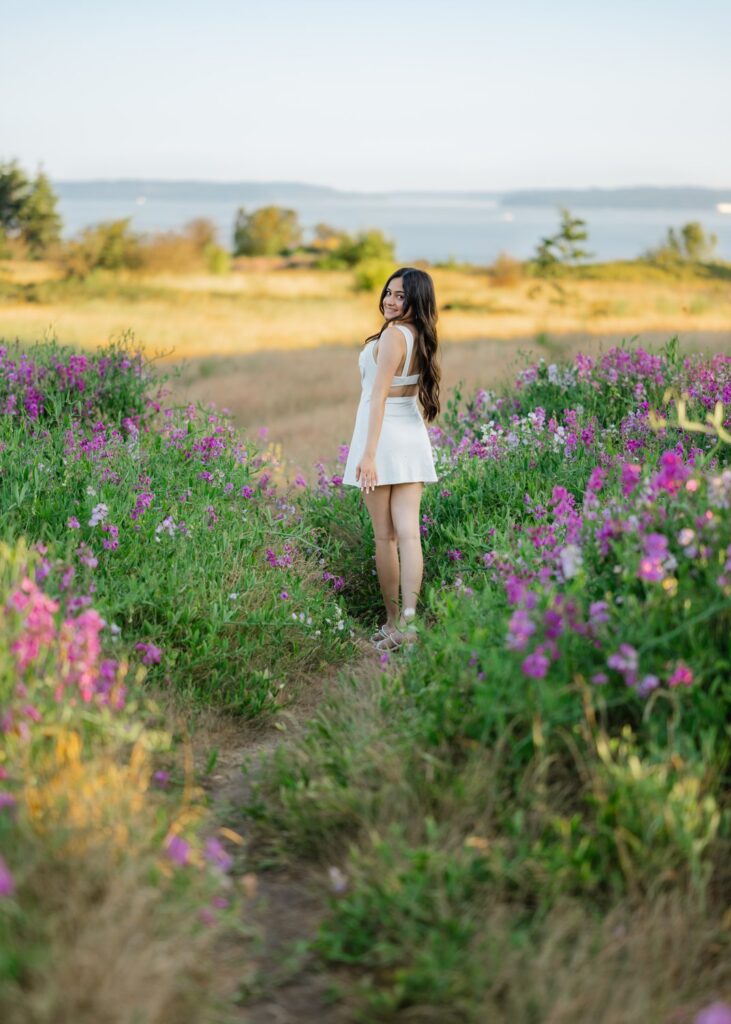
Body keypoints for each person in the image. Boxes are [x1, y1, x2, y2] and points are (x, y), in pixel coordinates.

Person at [342, 267, 441, 652]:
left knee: (386, 537)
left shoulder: (392, 336)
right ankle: (411, 624)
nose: (390, 299)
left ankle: (393, 622)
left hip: (382, 439)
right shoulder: (418, 335)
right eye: (389, 292)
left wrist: (368, 455)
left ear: (415, 300)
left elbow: (378, 395)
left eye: (400, 295)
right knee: (410, 534)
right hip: (411, 435)